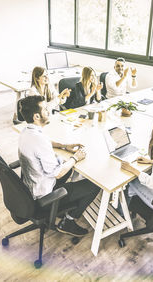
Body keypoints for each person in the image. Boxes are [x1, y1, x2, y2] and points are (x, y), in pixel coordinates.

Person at [18, 95, 100, 237]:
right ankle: (69, 220)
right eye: (45, 109)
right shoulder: (39, 139)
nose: (49, 111)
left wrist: (64, 146)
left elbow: (45, 142)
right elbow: (58, 173)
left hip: (31, 186)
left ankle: (65, 208)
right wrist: (75, 158)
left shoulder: (27, 132)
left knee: (69, 165)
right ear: (37, 116)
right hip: (45, 197)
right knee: (94, 184)